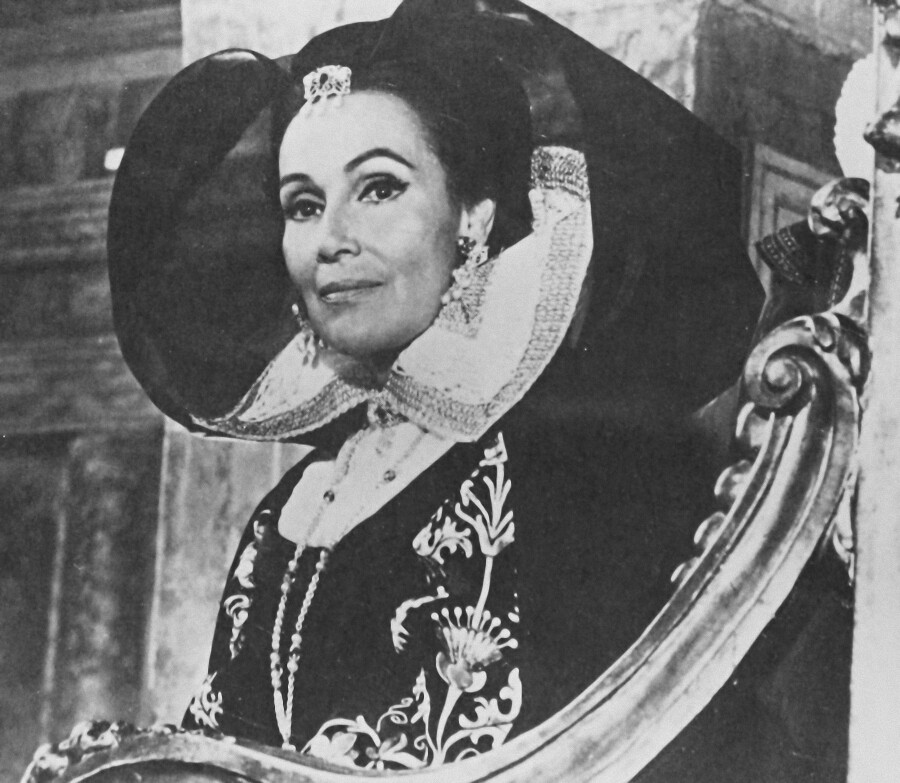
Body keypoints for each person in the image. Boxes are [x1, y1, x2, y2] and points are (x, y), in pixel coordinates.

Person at [106, 0, 851, 779]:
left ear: (473, 218)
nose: (331, 240)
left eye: (379, 188)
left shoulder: (584, 469)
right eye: (304, 204)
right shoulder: (281, 512)